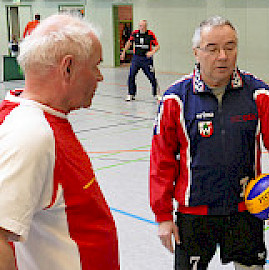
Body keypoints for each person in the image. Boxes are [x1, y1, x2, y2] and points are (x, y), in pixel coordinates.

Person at [149, 16, 269, 270]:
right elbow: (161, 160)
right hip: (193, 217)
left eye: (230, 47)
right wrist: (163, 216)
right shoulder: (175, 99)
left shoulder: (258, 94)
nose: (222, 56)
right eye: (212, 48)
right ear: (196, 52)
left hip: (247, 212)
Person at [0, 14, 119, 269]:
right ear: (68, 68)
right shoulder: (31, 133)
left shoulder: (38, 119)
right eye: (95, 65)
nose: (100, 77)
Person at [120, 19, 160, 101]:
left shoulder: (150, 34)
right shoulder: (135, 33)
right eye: (141, 26)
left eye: (144, 26)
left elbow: (157, 46)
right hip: (136, 58)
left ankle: (156, 94)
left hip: (146, 59)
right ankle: (131, 94)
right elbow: (129, 42)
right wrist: (124, 52)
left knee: (151, 77)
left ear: (146, 26)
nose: (142, 27)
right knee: (131, 75)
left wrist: (152, 52)